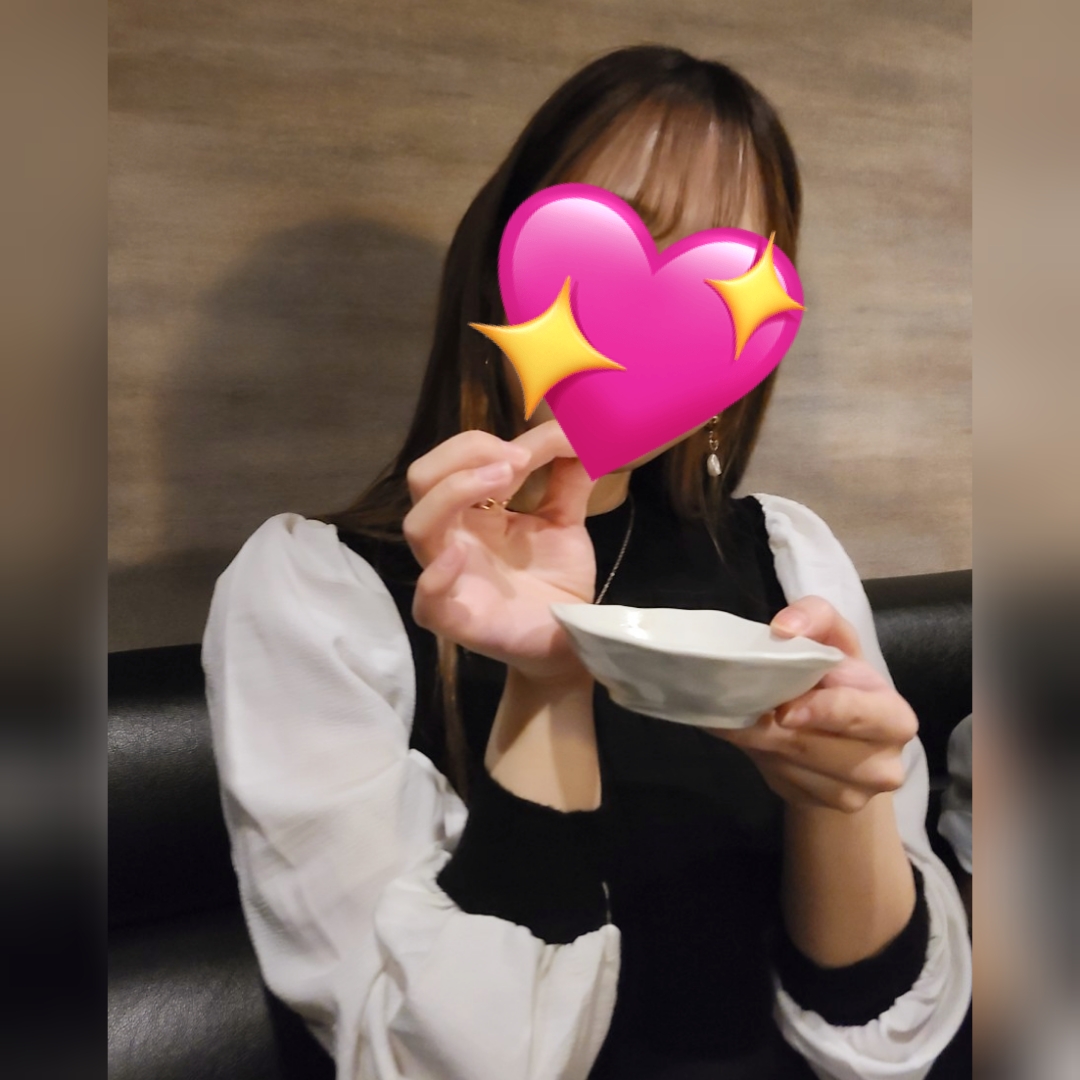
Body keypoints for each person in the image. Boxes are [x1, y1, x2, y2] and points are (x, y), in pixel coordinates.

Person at [203, 45, 972, 1080]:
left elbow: (871, 1018)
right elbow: (433, 1063)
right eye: (628, 237)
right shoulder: (315, 593)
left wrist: (841, 800)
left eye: (720, 273)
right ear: (504, 257)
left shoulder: (789, 558)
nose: (661, 309)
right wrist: (548, 678)